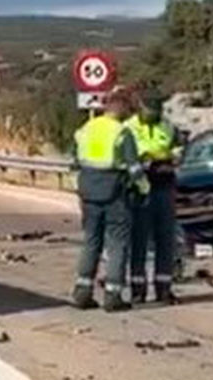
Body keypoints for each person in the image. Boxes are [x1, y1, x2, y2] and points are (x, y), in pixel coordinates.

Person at [71, 90, 149, 312]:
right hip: (115, 194)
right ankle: (113, 295)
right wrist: (145, 190)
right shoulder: (122, 133)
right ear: (122, 107)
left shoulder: (86, 129)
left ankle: (82, 292)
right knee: (117, 243)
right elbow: (134, 169)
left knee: (91, 241)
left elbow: (76, 160)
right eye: (129, 109)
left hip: (88, 193)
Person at [125, 89, 180, 305]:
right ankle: (138, 290)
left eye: (158, 110)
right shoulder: (129, 128)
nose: (155, 113)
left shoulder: (167, 126)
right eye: (150, 109)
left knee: (165, 241)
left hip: (164, 186)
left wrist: (170, 156)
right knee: (139, 241)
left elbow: (177, 149)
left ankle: (163, 289)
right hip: (140, 189)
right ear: (140, 107)